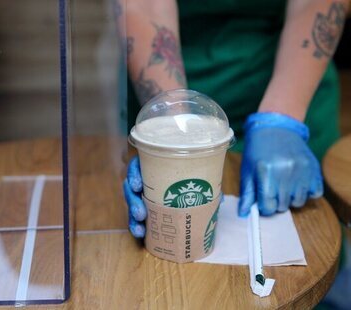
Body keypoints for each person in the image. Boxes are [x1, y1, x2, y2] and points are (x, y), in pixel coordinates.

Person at [121, 0, 349, 238]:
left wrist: (281, 118)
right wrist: (170, 137)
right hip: (168, 90)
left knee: (307, 244)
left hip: (293, 81)